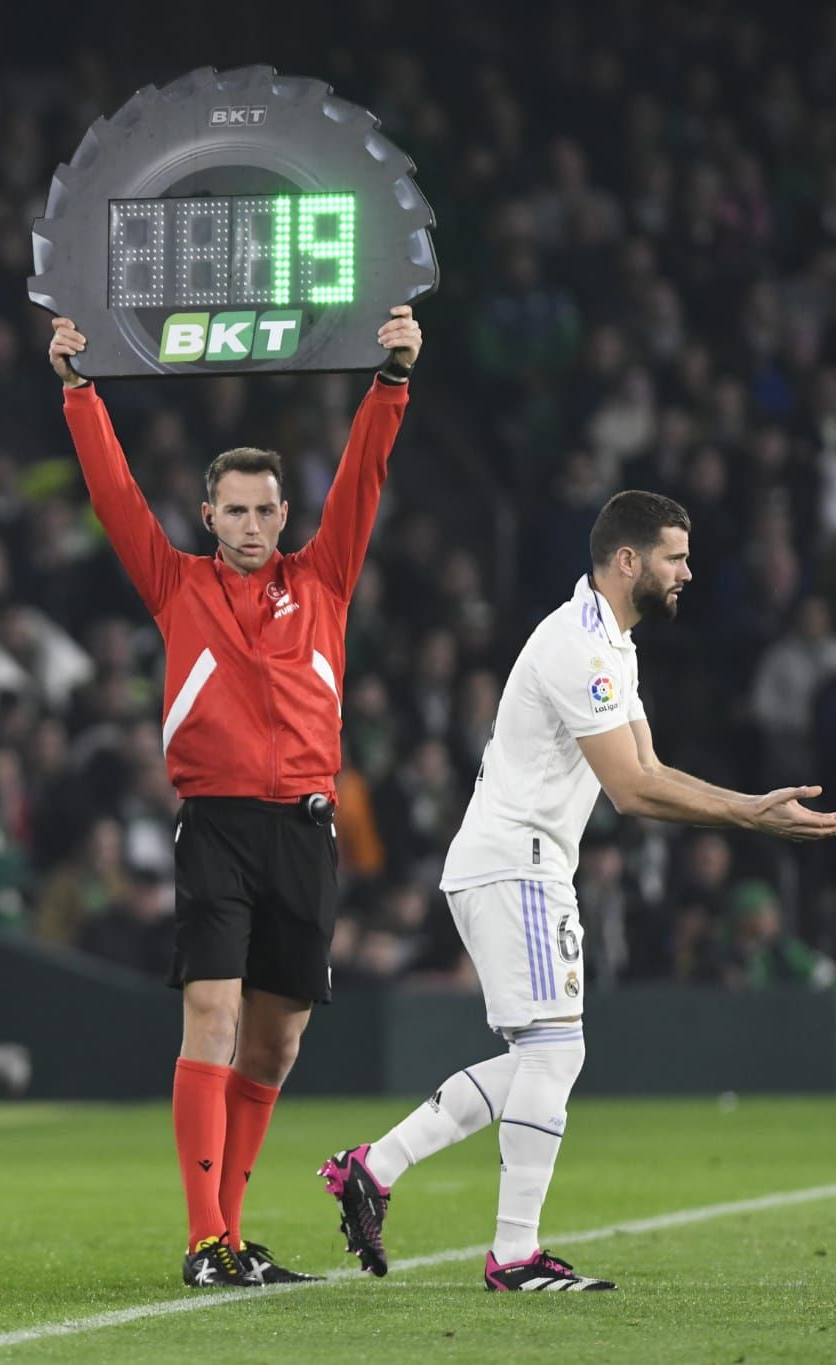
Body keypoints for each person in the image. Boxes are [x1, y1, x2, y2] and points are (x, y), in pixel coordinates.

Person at [321, 491, 836, 1291]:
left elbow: (653, 770)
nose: (689, 572)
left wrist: (749, 805)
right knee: (557, 1051)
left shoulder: (612, 644)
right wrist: (752, 817)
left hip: (522, 863)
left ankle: (374, 1165)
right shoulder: (577, 647)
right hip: (517, 861)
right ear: (627, 560)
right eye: (675, 556)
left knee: (537, 1056)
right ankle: (514, 1255)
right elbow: (631, 791)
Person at [49, 306, 424, 1288]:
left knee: (276, 1039)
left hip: (304, 831)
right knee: (209, 1017)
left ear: (281, 517)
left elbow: (361, 481)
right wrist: (77, 391)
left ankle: (230, 1232)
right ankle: (203, 1239)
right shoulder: (176, 586)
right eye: (236, 511)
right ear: (205, 516)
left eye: (266, 510)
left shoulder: (325, 581)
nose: (253, 526)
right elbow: (112, 492)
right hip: (213, 827)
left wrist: (390, 381)